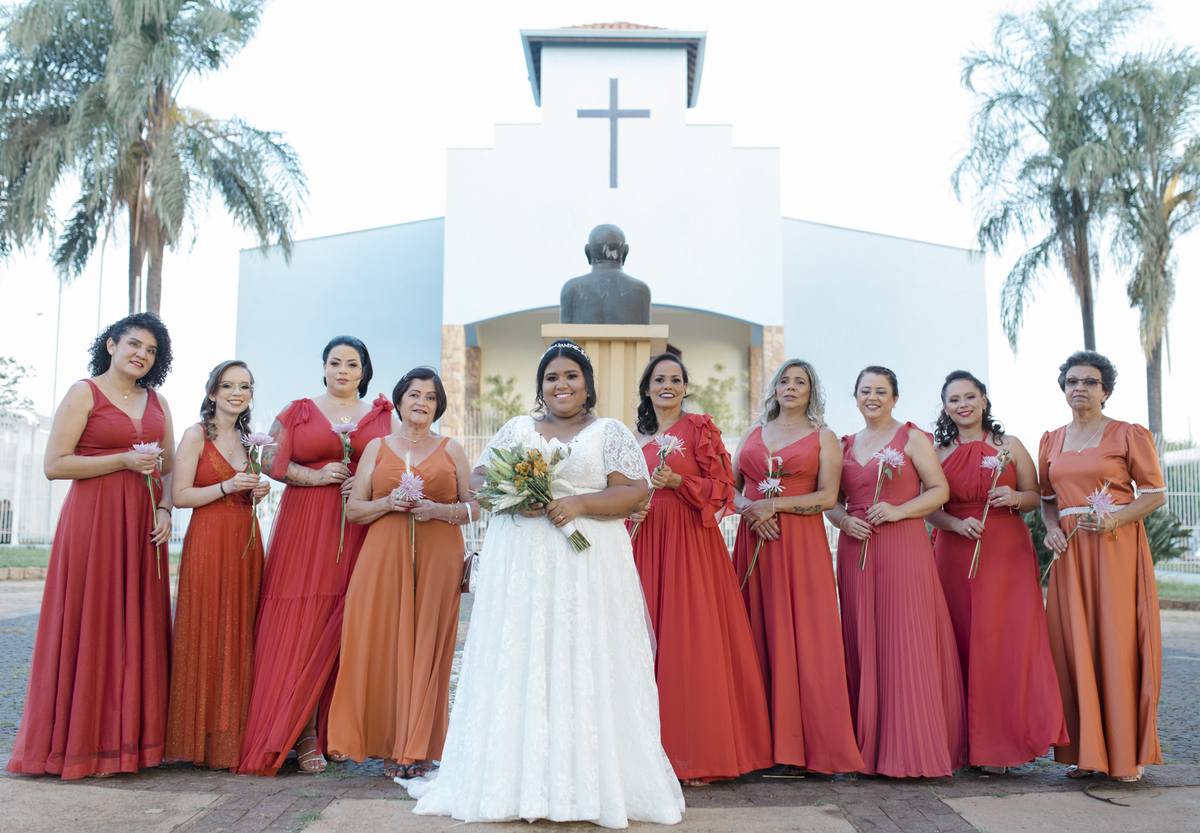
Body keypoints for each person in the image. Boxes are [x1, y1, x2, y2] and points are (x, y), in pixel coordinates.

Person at [409, 339, 685, 828]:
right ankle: (518, 781)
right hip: (524, 568)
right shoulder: (518, 428)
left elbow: (635, 491)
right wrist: (516, 496)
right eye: (552, 377)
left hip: (590, 565)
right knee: (527, 658)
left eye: (572, 376)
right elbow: (477, 480)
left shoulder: (610, 431)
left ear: (587, 384)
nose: (562, 384)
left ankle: (591, 785)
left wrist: (578, 503)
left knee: (585, 658)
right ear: (541, 386)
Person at [7, 313, 177, 779]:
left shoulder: (158, 400)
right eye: (133, 345)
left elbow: (171, 467)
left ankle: (132, 745)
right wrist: (123, 458)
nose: (141, 354)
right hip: (94, 523)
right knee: (92, 621)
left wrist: (165, 511)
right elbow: (55, 465)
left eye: (151, 350)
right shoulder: (85, 392)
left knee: (134, 625)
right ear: (110, 345)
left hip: (144, 526)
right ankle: (78, 743)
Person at [235, 336, 396, 776]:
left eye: (353, 363)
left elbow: (398, 464)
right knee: (303, 623)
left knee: (348, 624)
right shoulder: (299, 410)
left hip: (359, 529)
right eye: (335, 362)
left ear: (365, 371)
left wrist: (366, 483)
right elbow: (269, 460)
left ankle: (334, 726)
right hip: (305, 528)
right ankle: (302, 731)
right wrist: (317, 475)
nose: (343, 370)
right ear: (323, 367)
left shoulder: (382, 416)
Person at [626, 353, 772, 784]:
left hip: (690, 543)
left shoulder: (700, 429)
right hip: (644, 542)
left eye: (675, 379)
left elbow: (725, 489)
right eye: (658, 379)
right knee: (641, 636)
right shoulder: (632, 436)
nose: (666, 385)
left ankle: (695, 753)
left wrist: (680, 483)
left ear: (685, 387)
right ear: (647, 388)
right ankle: (642, 751)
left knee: (689, 639)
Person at [327, 367, 477, 779]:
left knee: (429, 645)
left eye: (430, 397)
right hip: (383, 556)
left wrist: (439, 511)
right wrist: (388, 503)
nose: (421, 403)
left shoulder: (453, 450)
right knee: (381, 642)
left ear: (438, 406)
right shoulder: (376, 448)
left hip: (439, 556)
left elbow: (478, 506)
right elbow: (353, 510)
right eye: (414, 394)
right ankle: (390, 743)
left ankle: (420, 747)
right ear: (400, 400)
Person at [825, 366, 966, 778]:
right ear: (855, 398)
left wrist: (900, 510)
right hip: (856, 548)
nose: (873, 397)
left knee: (905, 640)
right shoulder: (844, 444)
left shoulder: (912, 438)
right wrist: (843, 521)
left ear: (895, 398)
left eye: (881, 391)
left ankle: (910, 748)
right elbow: (831, 501)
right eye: (865, 391)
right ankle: (865, 748)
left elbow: (940, 491)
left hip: (903, 547)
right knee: (862, 640)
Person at [926, 370, 1068, 773]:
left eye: (970, 396)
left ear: (984, 400)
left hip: (1005, 552)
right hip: (954, 551)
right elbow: (929, 509)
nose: (963, 405)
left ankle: (1002, 745)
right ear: (945, 406)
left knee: (1004, 643)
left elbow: (1035, 497)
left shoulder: (1012, 445)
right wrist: (954, 525)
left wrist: (1013, 495)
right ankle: (961, 743)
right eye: (954, 399)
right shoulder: (935, 453)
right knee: (960, 640)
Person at [731, 360, 865, 775]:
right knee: (756, 634)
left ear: (812, 392)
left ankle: (809, 748)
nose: (791, 387)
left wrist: (774, 504)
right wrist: (753, 510)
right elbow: (728, 490)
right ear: (773, 389)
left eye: (800, 382)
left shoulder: (823, 437)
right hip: (755, 541)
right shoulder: (752, 435)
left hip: (801, 546)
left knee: (808, 638)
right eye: (784, 381)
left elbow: (827, 497)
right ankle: (758, 745)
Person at [1039, 351, 1166, 782]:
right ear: (1064, 389)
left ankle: (1126, 755)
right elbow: (1046, 500)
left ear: (1105, 390)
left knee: (1116, 642)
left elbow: (1154, 494)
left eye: (1090, 382)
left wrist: (1114, 518)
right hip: (1070, 555)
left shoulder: (1128, 434)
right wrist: (1050, 529)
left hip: (1114, 547)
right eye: (1072, 381)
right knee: (1074, 644)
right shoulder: (1050, 440)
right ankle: (1086, 752)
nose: (1080, 388)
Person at [165, 360, 271, 770]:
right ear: (212, 393)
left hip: (245, 541)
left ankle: (234, 739)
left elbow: (247, 492)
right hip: (209, 541)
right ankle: (202, 739)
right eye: (228, 385)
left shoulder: (250, 442)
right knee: (208, 628)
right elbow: (180, 495)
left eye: (244, 386)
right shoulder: (195, 436)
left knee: (239, 631)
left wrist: (256, 489)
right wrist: (227, 485)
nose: (236, 392)